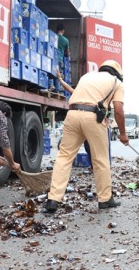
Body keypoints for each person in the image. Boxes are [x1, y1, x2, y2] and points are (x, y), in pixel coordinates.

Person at [44, 60, 129, 212]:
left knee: (64, 157)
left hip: (72, 115)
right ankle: (105, 199)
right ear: (117, 73)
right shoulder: (116, 82)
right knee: (100, 159)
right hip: (92, 118)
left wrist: (61, 81)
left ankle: (53, 199)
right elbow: (118, 110)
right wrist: (123, 134)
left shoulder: (87, 77)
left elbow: (74, 93)